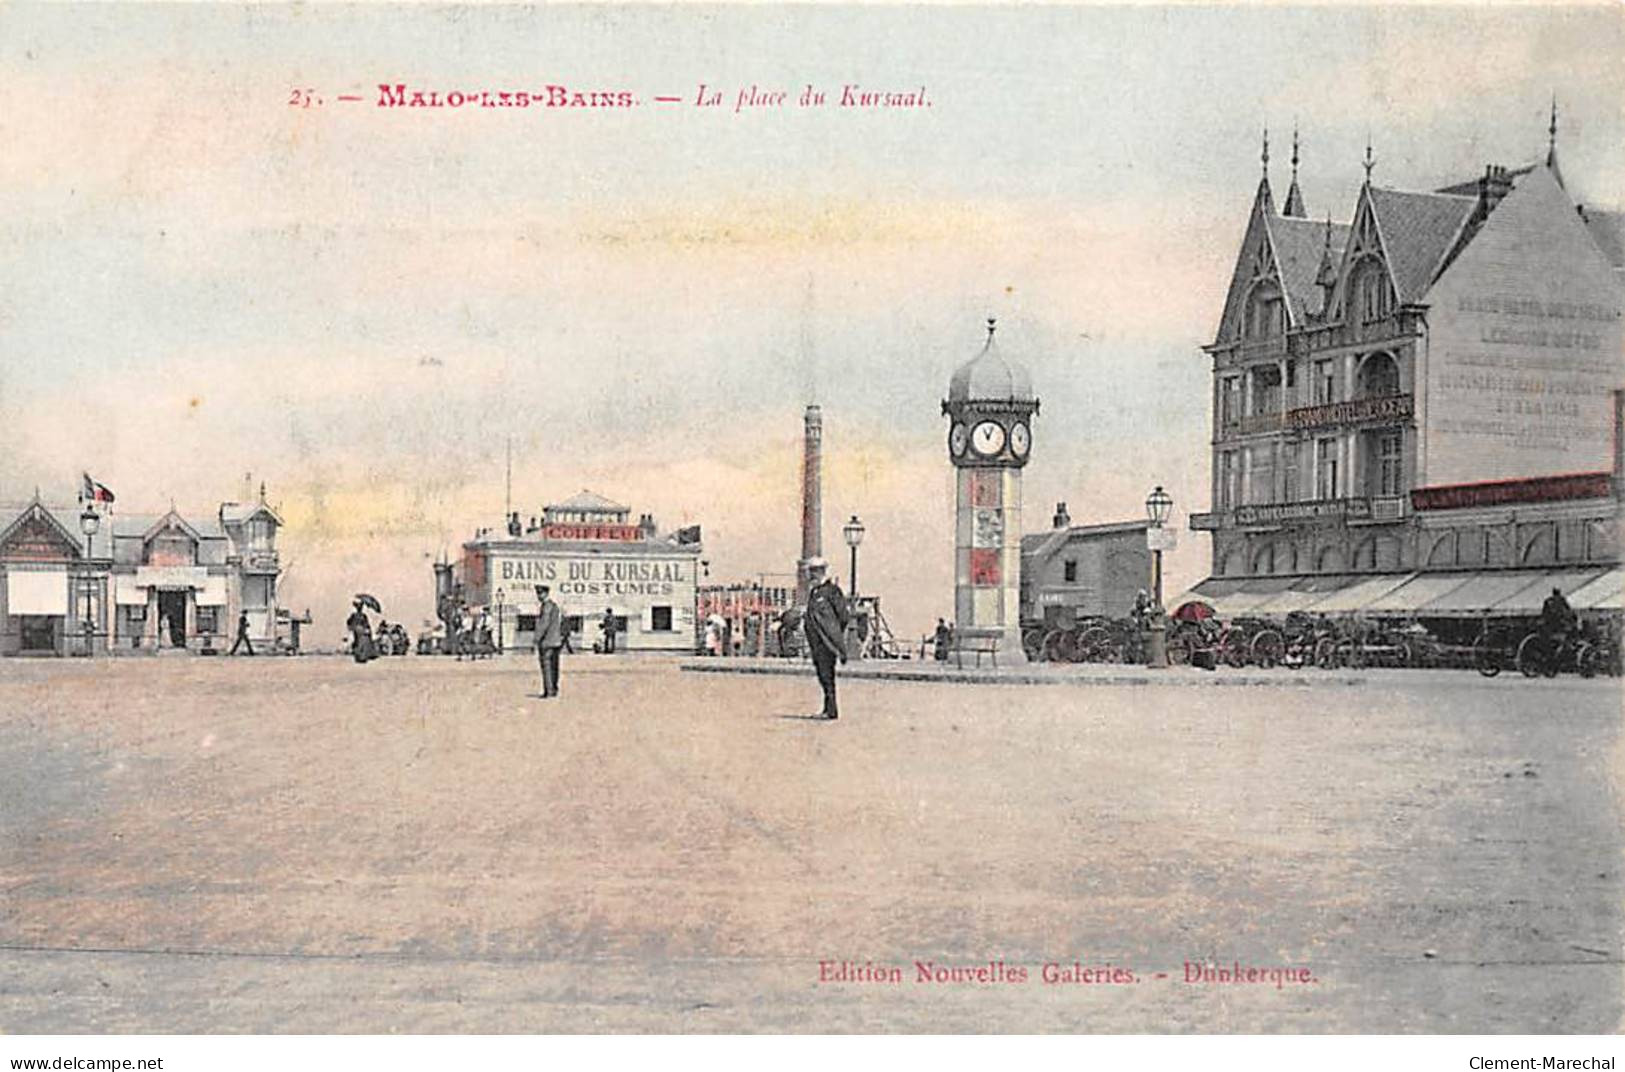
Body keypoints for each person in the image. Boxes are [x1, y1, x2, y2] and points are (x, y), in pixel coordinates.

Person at [803, 558, 850, 720]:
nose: (810, 576)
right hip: (816, 643)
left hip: (826, 642)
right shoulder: (815, 592)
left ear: (820, 571)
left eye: (812, 572)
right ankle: (827, 708)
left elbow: (843, 616)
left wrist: (834, 633)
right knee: (823, 675)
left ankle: (831, 710)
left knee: (827, 675)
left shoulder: (832, 591)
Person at [535, 585, 564, 698]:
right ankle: (554, 689)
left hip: (546, 642)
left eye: (540, 594)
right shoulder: (555, 606)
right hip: (556, 641)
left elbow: (544, 624)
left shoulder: (546, 606)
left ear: (546, 594)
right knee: (554, 666)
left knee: (546, 666)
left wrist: (536, 639)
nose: (538, 596)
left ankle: (548, 690)